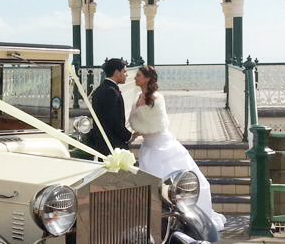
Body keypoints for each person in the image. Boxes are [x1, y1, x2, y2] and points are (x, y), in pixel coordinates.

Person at [129, 66, 227, 231]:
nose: (135, 78)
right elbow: (139, 122)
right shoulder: (138, 96)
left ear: (146, 78)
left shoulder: (156, 98)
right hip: (148, 145)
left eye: (138, 75)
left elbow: (155, 124)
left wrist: (140, 129)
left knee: (168, 177)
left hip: (161, 143)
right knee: (150, 180)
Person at [86, 58, 132, 156]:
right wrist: (129, 136)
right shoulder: (111, 92)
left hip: (102, 143)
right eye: (124, 71)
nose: (127, 75)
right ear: (116, 72)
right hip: (111, 146)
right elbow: (113, 122)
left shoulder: (101, 89)